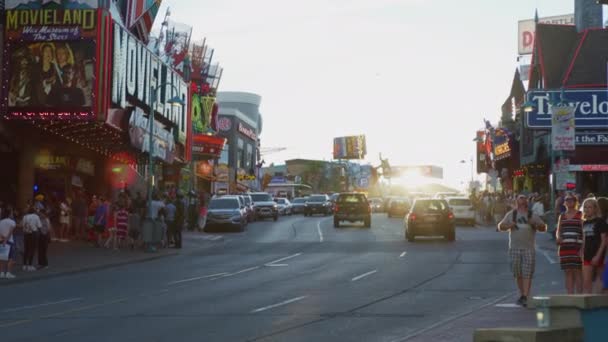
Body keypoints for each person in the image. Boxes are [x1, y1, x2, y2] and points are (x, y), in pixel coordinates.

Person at [497, 194, 547, 307]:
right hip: (514, 248)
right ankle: (522, 294)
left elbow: (543, 227)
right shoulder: (511, 214)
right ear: (516, 200)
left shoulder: (532, 215)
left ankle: (525, 295)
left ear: (527, 201)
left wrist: (534, 224)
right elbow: (500, 226)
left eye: (524, 198)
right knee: (517, 272)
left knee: (527, 273)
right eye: (520, 197)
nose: (522, 199)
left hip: (528, 248)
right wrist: (510, 225)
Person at [555, 194, 583, 294]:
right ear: (564, 202)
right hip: (565, 247)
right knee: (568, 272)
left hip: (577, 247)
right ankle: (570, 296)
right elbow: (558, 230)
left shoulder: (580, 214)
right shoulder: (562, 216)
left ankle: (579, 297)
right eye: (567, 199)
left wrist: (582, 248)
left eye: (571, 200)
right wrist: (558, 238)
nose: (569, 201)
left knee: (577, 272)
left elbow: (583, 232)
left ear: (575, 202)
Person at [582, 198, 608, 293]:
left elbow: (604, 240)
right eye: (585, 207)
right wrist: (582, 253)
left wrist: (598, 256)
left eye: (590, 207)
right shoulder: (584, 223)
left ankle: (598, 303)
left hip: (598, 254)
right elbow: (584, 240)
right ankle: (588, 304)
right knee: (586, 282)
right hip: (587, 254)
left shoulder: (600, 222)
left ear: (595, 209)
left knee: (600, 280)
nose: (587, 209)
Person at [0, 208, 17, 279]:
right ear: (9, 214)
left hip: (1, 241)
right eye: (12, 213)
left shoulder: (1, 222)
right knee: (11, 258)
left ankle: (1, 273)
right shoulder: (12, 222)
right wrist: (6, 240)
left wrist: (3, 239)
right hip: (9, 241)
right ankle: (8, 273)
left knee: (2, 258)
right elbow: (10, 232)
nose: (12, 214)